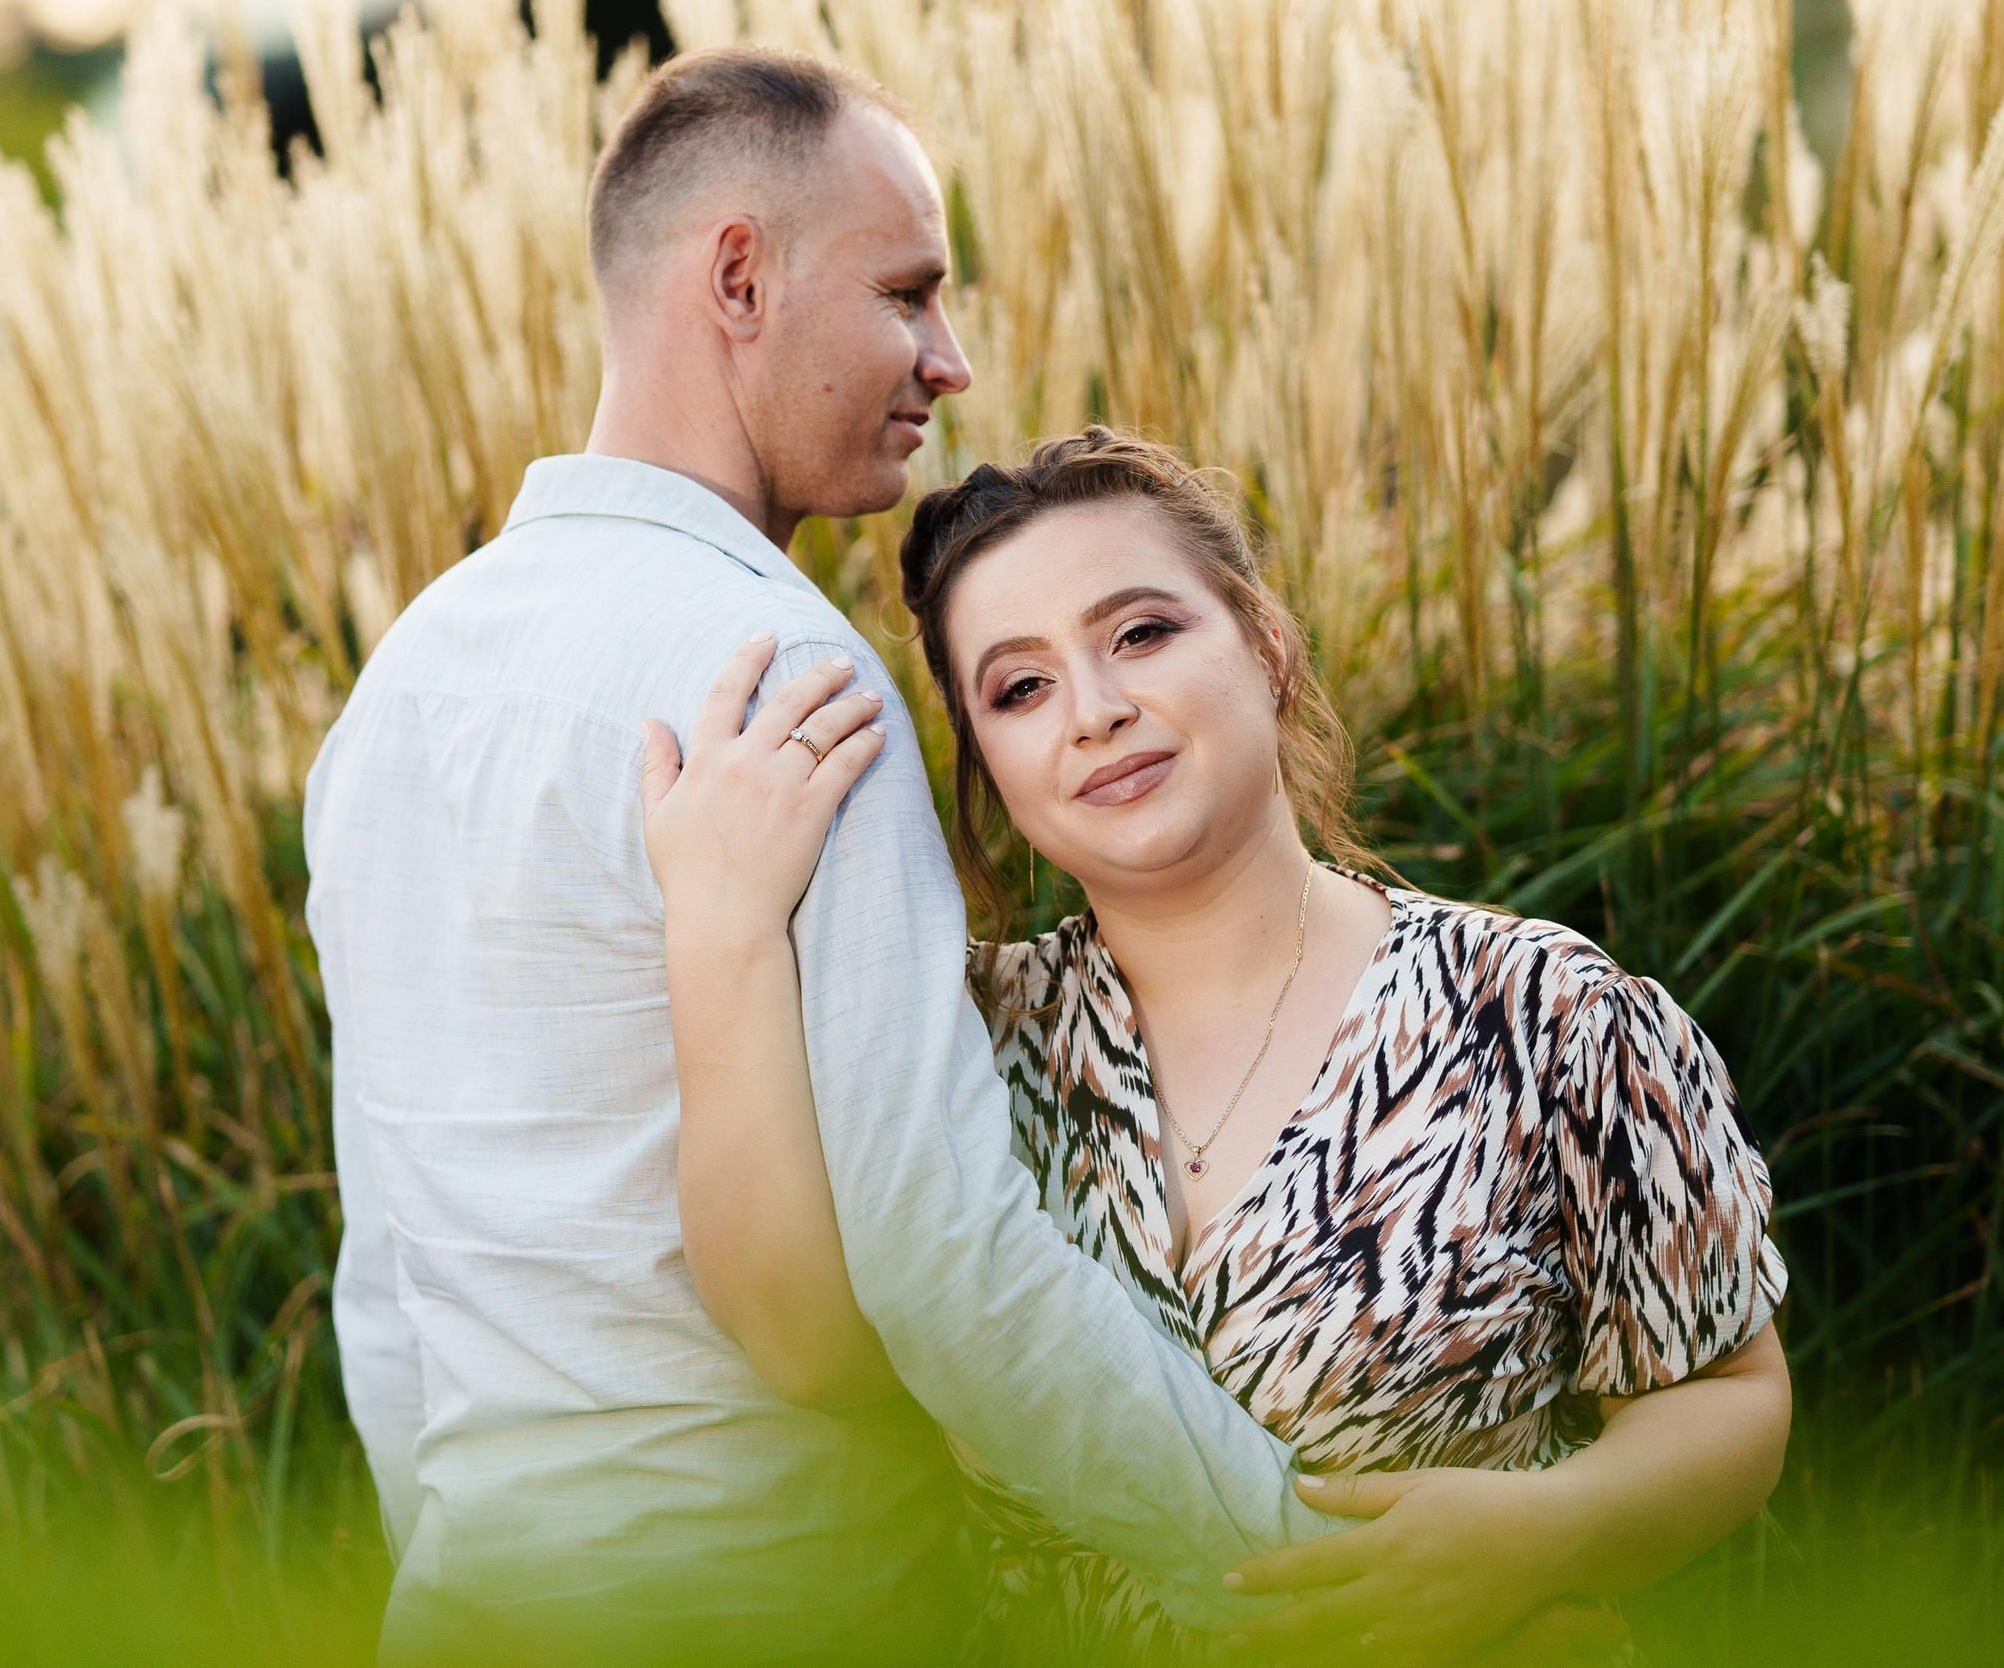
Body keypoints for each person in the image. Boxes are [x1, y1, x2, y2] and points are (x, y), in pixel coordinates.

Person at [307, 48, 1370, 1665]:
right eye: (906, 293)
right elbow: (943, 1254)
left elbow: (386, 1279)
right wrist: (1301, 1568)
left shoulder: (395, 690)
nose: (949, 360)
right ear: (739, 277)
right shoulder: (781, 682)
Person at [640, 428, 1795, 1664]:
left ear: (1266, 647)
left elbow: (1728, 1397)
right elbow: (806, 1342)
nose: (1095, 712)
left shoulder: (1539, 1013)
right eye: (1019, 689)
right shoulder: (958, 1040)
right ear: (987, 768)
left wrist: (1546, 1533)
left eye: (1141, 633)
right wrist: (719, 925)